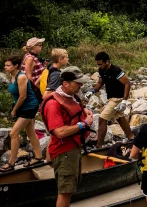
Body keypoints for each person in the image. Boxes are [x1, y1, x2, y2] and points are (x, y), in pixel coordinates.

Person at [42, 66, 94, 207]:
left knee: (69, 189)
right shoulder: (53, 104)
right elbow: (59, 132)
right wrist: (84, 124)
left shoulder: (70, 96)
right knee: (65, 191)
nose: (81, 86)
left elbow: (74, 109)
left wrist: (84, 111)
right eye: (78, 83)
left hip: (73, 148)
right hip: (63, 151)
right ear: (65, 83)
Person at [0, 56, 43, 172]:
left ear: (16, 66)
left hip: (29, 106)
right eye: (5, 65)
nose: (5, 67)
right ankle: (38, 157)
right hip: (23, 107)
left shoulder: (21, 77)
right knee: (30, 132)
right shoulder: (12, 75)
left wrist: (14, 110)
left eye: (8, 65)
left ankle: (11, 163)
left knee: (13, 133)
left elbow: (23, 96)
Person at [91, 52, 134, 148]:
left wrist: (124, 100)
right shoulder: (102, 70)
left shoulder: (115, 70)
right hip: (111, 98)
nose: (99, 66)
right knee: (120, 118)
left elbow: (127, 83)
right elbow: (100, 82)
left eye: (100, 64)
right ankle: (132, 137)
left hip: (117, 99)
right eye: (97, 64)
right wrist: (92, 91)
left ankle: (99, 146)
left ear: (107, 62)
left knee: (102, 119)